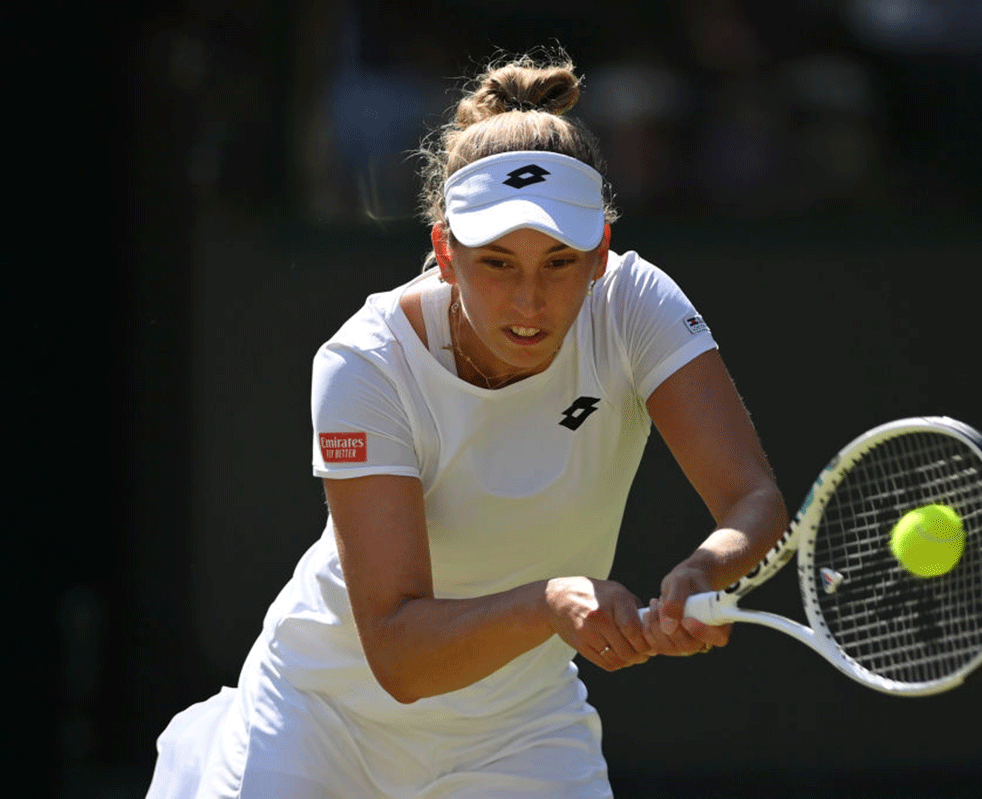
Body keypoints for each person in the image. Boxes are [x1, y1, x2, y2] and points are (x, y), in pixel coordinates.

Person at [146, 49, 788, 799]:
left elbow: (752, 500)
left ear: (600, 252)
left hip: (520, 730)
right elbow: (399, 656)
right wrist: (549, 599)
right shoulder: (365, 364)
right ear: (445, 253)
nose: (529, 302)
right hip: (317, 722)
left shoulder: (635, 306)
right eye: (496, 263)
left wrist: (700, 574)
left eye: (558, 262)